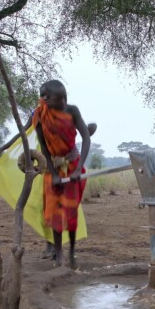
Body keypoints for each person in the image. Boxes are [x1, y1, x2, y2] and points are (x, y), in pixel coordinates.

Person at [32, 80, 92, 269]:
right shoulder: (40, 116)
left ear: (62, 98)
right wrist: (54, 174)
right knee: (54, 211)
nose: (44, 99)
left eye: (48, 96)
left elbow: (86, 138)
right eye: (42, 96)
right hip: (54, 169)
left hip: (73, 165)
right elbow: (44, 148)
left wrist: (77, 169)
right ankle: (58, 253)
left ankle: (71, 251)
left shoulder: (72, 111)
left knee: (70, 211)